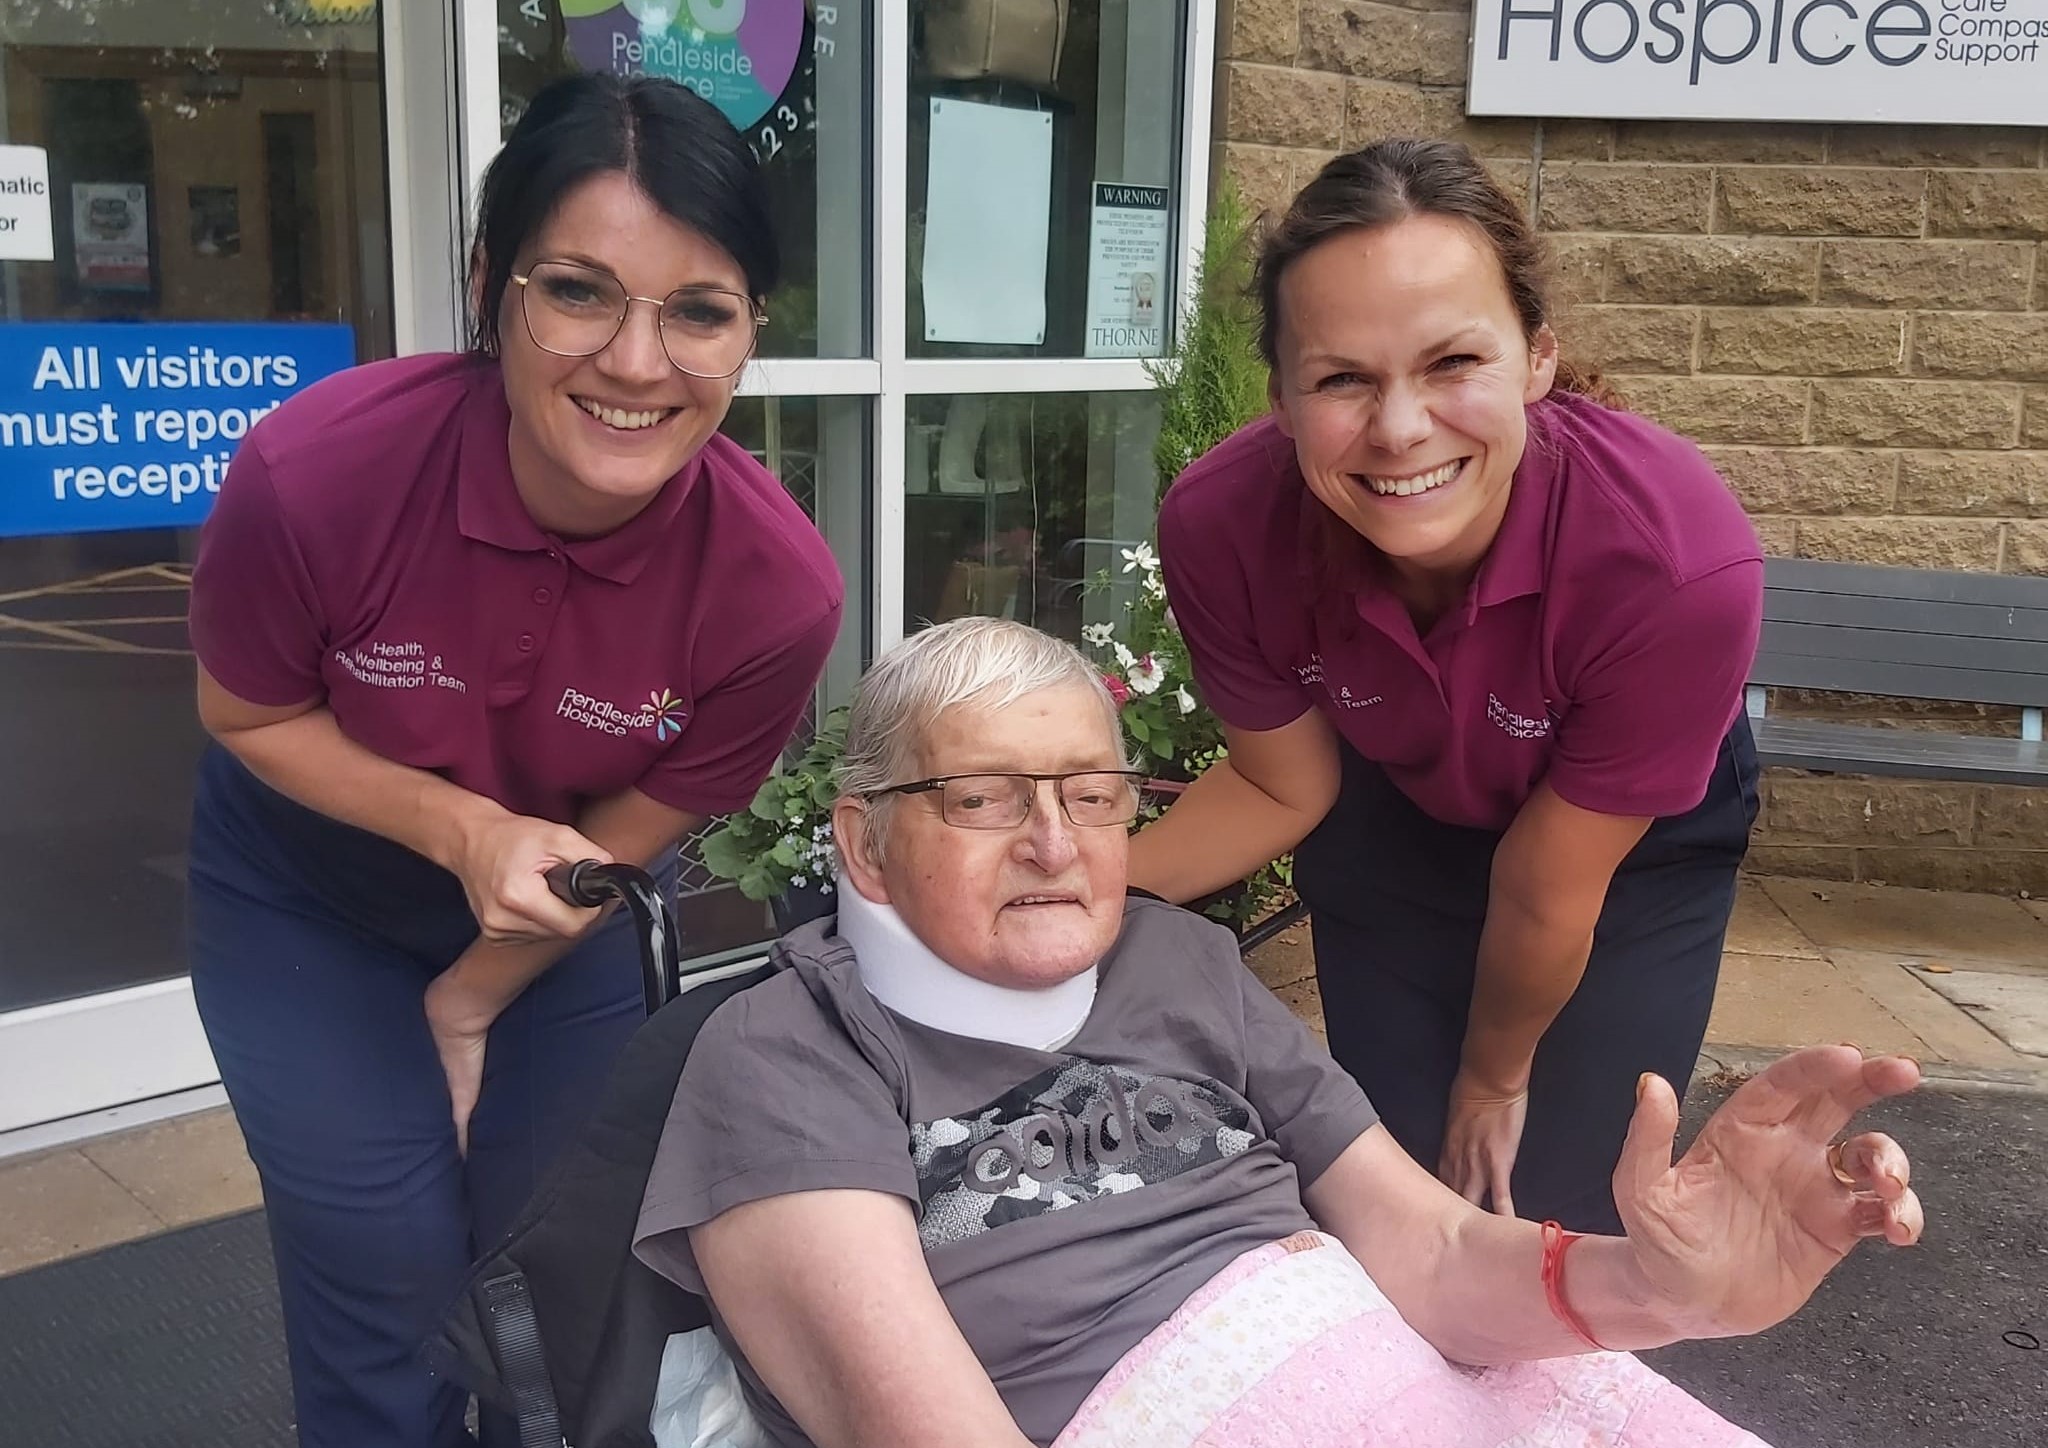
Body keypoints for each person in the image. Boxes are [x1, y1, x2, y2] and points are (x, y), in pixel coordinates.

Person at [632, 617, 1921, 1448]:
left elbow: (1425, 1251)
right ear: (861, 842)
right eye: (980, 798)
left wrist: (1660, 1285)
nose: (1052, 840)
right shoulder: (787, 1055)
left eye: (1091, 794)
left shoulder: (1176, 958)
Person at [183, 73, 843, 1448]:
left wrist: (473, 998)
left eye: (699, 311)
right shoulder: (316, 473)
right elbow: (248, 717)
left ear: (750, 330)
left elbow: (630, 825)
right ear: (490, 284)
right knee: (384, 1263)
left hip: (564, 918)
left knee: (558, 1259)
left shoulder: (777, 588)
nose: (636, 363)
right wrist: (464, 832)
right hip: (305, 900)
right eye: (579, 291)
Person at [1132, 138, 1765, 1235]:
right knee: (1384, 1187)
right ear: (1278, 398)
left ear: (1535, 360)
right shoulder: (1221, 523)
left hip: (1621, 850)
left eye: (1451, 363)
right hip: (1396, 795)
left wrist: (1490, 1077)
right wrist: (1071, 891)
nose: (1398, 428)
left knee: (1553, 1202)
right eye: (1340, 378)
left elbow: (1543, 885)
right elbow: (1280, 788)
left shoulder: (1671, 561)